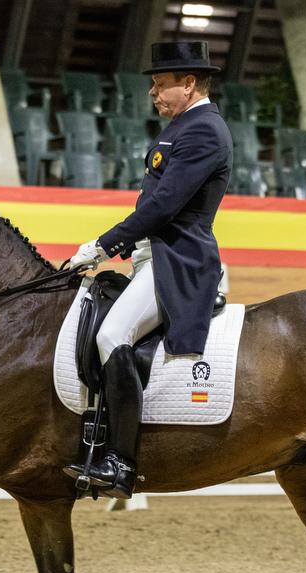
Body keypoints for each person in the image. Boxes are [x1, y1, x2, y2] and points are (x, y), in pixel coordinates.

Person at [62, 40, 233, 499]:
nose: (153, 94)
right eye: (153, 86)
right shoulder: (183, 127)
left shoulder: (203, 131)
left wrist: (101, 246)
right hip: (153, 254)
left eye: (161, 85)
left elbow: (164, 206)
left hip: (178, 259)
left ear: (189, 83)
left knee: (110, 335)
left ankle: (120, 461)